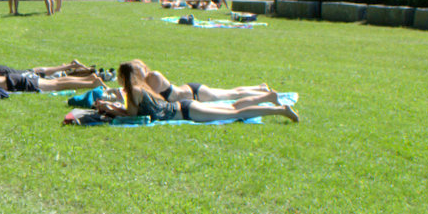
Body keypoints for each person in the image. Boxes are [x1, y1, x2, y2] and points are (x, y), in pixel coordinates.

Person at [95, 61, 298, 123]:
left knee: (235, 112)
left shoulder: (136, 90)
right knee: (234, 107)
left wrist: (111, 109)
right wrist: (112, 107)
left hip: (186, 110)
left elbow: (131, 116)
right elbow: (131, 112)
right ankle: (274, 104)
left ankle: (280, 110)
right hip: (186, 106)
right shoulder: (139, 89)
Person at [119, 59, 280, 105]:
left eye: (139, 70)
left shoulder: (153, 76)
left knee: (231, 94)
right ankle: (259, 87)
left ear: (144, 68)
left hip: (195, 94)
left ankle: (263, 92)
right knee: (230, 91)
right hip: (191, 91)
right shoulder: (143, 83)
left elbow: (151, 99)